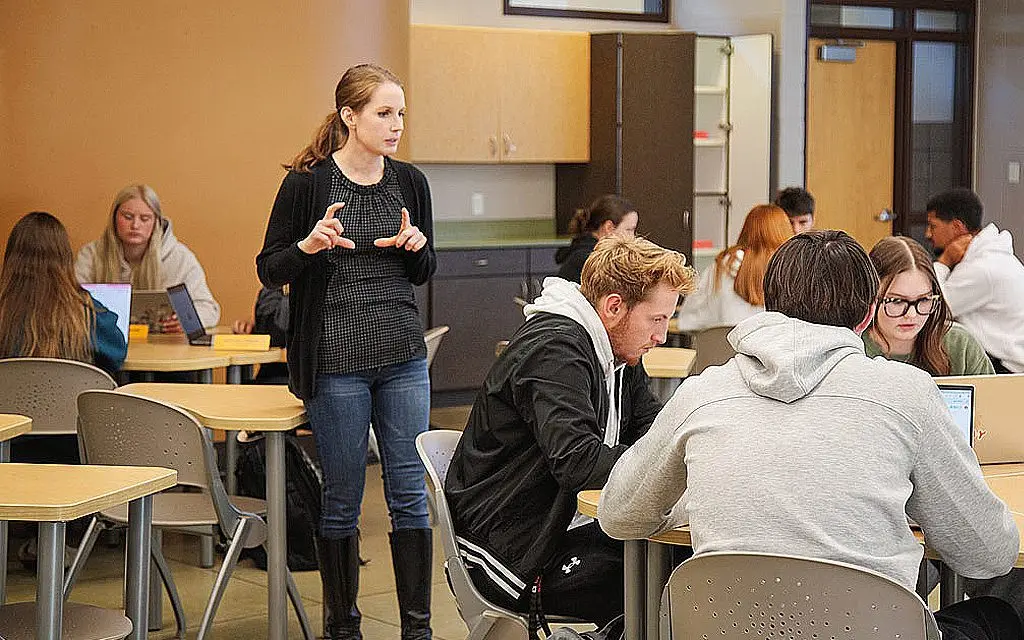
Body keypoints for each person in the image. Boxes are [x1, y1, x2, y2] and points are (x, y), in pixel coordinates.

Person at [601, 230, 1022, 640]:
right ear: (866, 315)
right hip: (870, 628)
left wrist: (695, 505)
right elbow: (989, 553)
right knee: (996, 614)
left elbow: (618, 512)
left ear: (769, 304)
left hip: (725, 627)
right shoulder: (907, 394)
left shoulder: (701, 393)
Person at [255, 63, 435, 640]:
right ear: (349, 117)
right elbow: (269, 267)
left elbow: (425, 269)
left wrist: (416, 246)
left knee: (410, 494)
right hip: (335, 363)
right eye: (384, 113)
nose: (396, 124)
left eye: (401, 113)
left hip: (403, 354)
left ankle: (417, 628)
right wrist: (308, 246)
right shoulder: (307, 185)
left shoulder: (410, 182)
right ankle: (343, 627)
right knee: (342, 498)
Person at [445, 236, 695, 627]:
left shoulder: (619, 349)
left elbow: (654, 429)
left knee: (682, 565)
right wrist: (672, 466)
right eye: (656, 319)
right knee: (672, 583)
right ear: (614, 307)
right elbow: (579, 464)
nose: (661, 337)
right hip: (512, 550)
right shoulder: (554, 352)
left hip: (559, 528)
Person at [76, 183, 221, 332]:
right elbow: (72, 303)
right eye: (128, 217)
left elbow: (208, 309)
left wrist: (186, 320)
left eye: (145, 218)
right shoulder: (91, 255)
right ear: (114, 219)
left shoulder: (180, 257)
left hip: (164, 347)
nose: (135, 225)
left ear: (156, 222)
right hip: (107, 342)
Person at [925, 188, 1024, 373]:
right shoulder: (990, 256)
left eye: (933, 226)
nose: (928, 234)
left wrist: (944, 261)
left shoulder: (982, 267)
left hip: (1006, 369)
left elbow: (932, 308)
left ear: (956, 226)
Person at [864, 235, 993, 376]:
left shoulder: (960, 344)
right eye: (897, 301)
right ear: (872, 296)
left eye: (924, 300)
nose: (912, 315)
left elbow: (994, 397)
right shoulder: (851, 347)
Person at [676, 204, 792, 332]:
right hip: (769, 349)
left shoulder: (721, 267)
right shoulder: (790, 271)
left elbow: (689, 319)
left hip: (720, 348)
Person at [555, 194, 638, 283]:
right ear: (609, 227)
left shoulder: (584, 251)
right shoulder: (590, 259)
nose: (633, 237)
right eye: (629, 230)